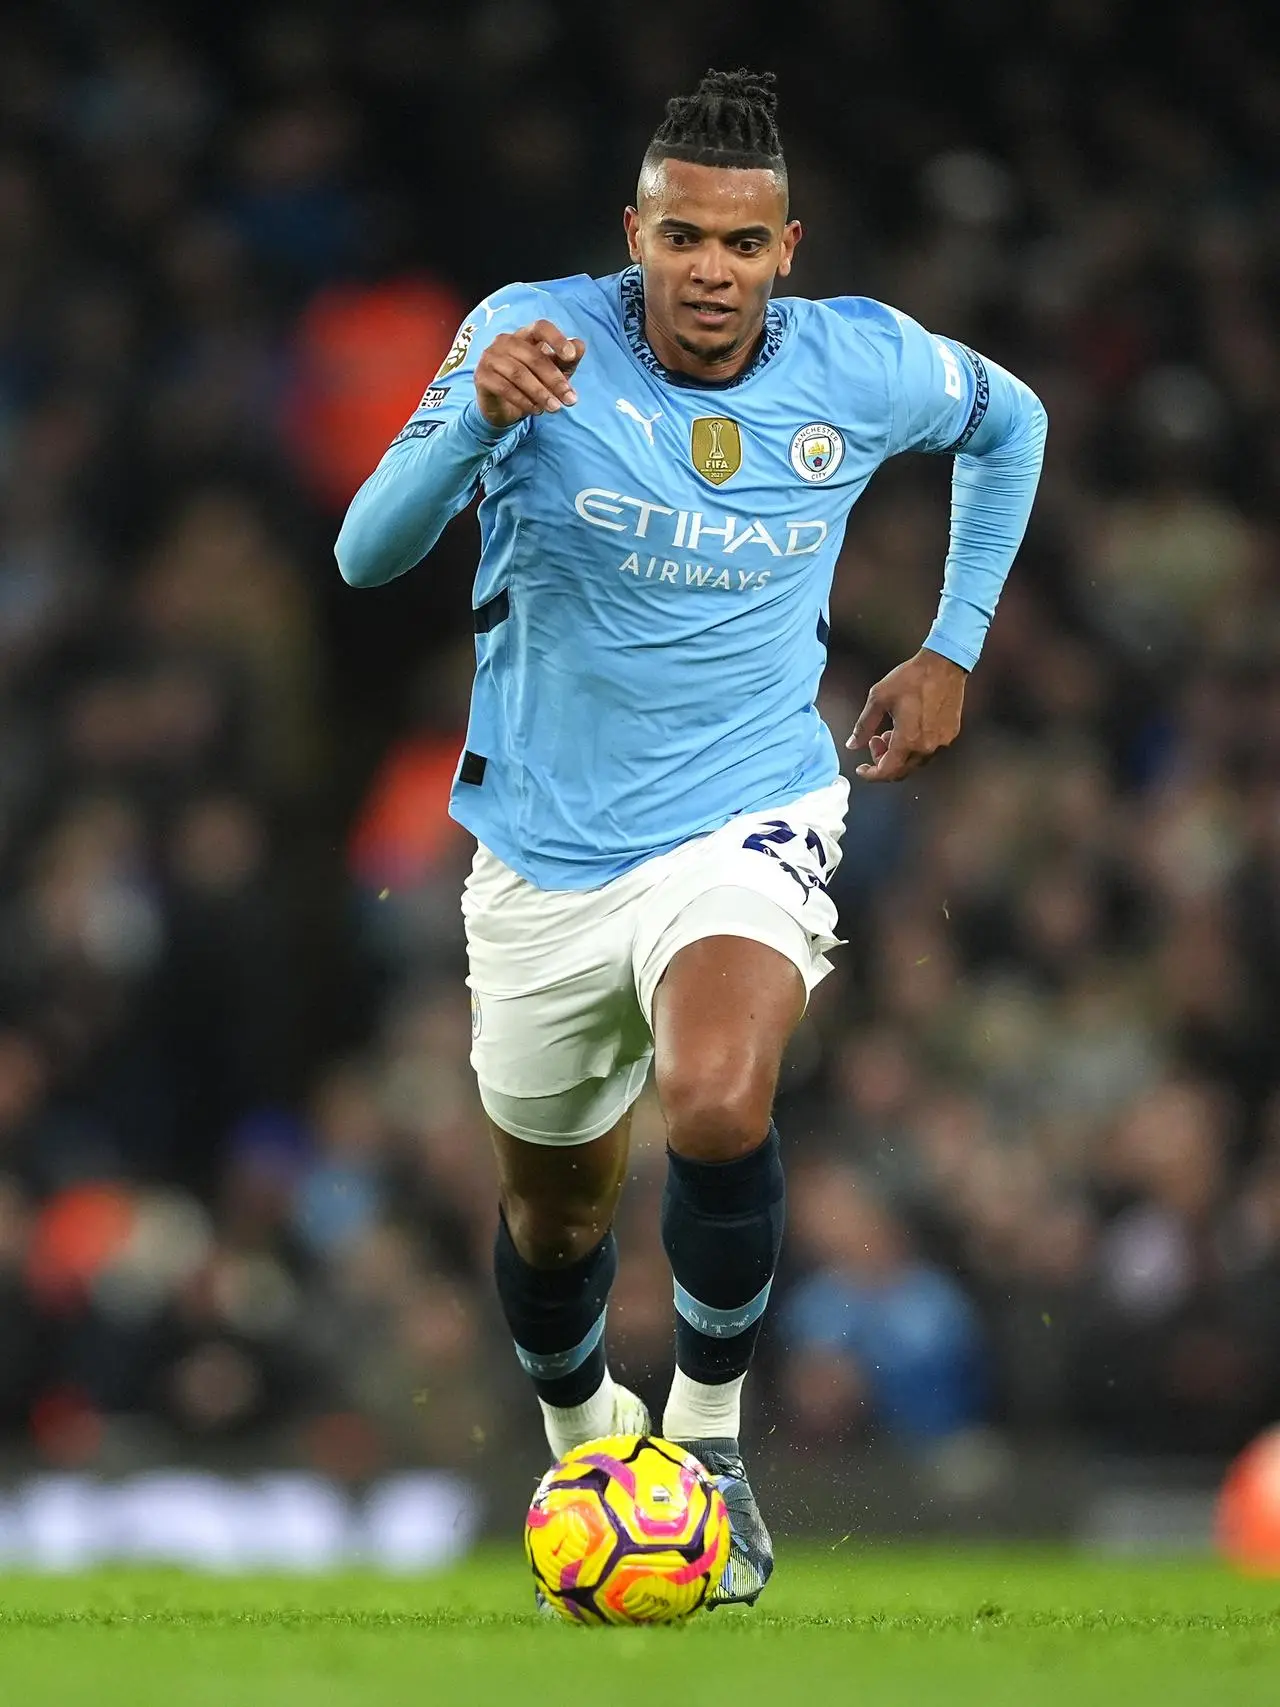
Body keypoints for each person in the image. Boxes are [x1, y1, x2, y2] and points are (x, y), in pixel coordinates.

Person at [335, 67, 1046, 1606]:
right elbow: (365, 547)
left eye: (739, 242)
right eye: (681, 239)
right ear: (634, 236)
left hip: (750, 807)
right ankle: (590, 1438)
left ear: (788, 247)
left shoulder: (860, 364)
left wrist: (954, 644)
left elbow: (1015, 419)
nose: (709, 270)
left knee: (719, 1099)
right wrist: (471, 418)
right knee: (554, 1214)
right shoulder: (530, 334)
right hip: (538, 848)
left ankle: (710, 1443)